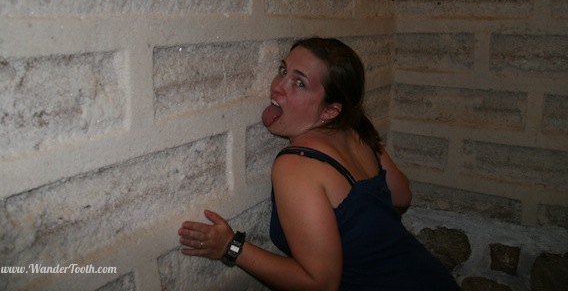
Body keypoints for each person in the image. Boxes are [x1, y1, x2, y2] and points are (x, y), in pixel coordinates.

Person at [178, 37, 460, 290]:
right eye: (283, 70)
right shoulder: (355, 133)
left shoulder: (297, 166)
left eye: (299, 83)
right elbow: (402, 195)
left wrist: (231, 246)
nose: (277, 87)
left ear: (330, 110)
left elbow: (321, 284)